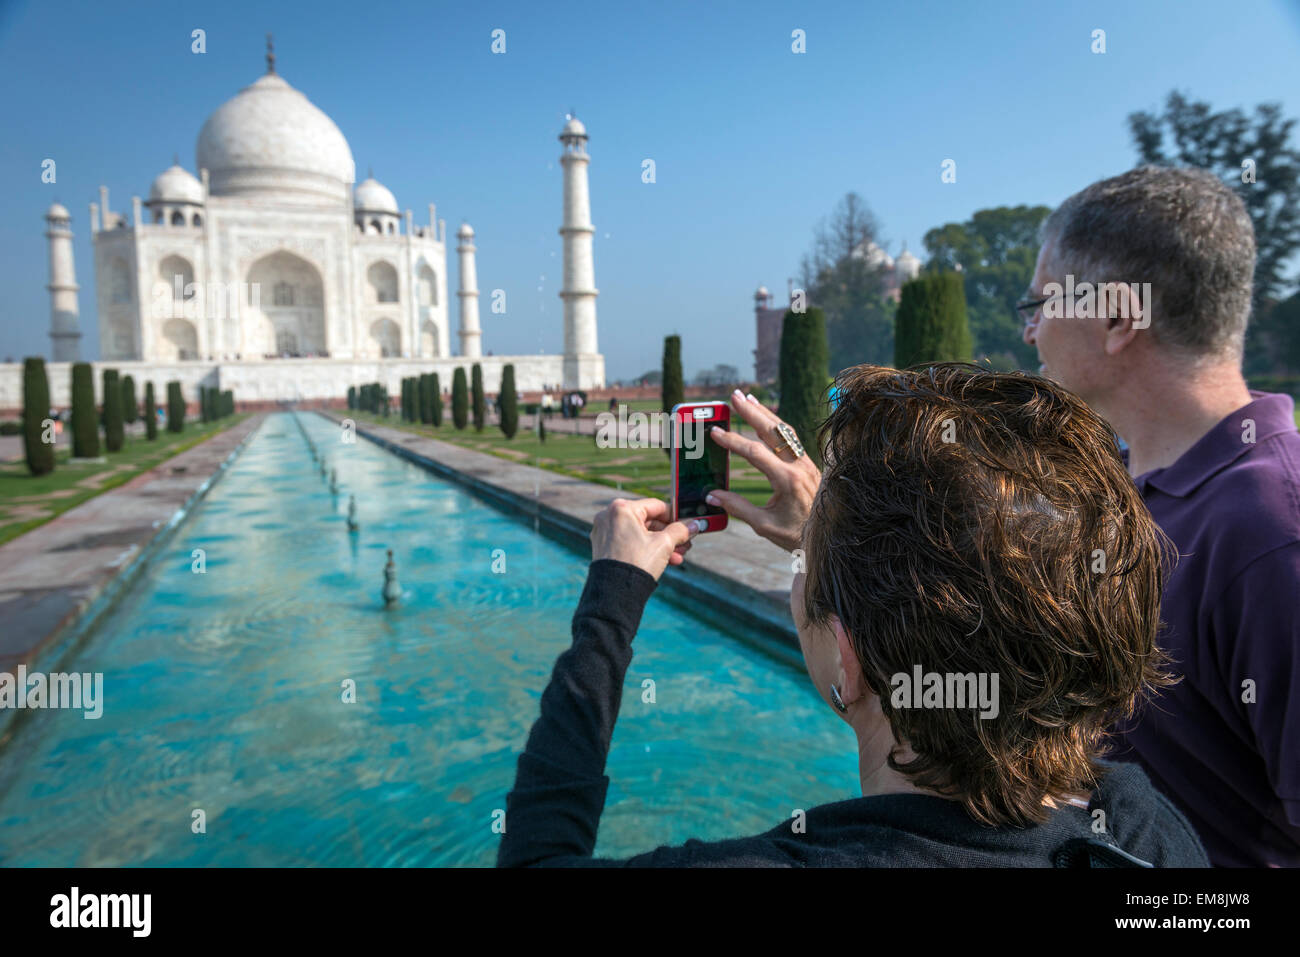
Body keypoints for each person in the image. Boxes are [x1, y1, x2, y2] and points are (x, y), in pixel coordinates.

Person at [498, 365, 1208, 867]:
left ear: (849, 660)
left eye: (802, 576)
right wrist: (833, 535)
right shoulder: (1142, 828)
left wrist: (611, 600)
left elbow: (536, 857)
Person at [1022, 165, 1300, 867]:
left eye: (1042, 303)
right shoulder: (1119, 485)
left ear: (1118, 316)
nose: (1032, 332)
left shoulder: (1272, 533)